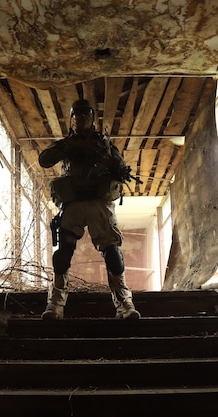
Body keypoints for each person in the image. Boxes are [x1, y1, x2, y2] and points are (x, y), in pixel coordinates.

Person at [39, 99, 141, 320]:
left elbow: (122, 168)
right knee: (63, 255)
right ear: (72, 119)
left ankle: (124, 302)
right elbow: (44, 160)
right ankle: (56, 303)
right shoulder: (67, 143)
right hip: (73, 204)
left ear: (93, 118)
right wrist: (67, 147)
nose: (81, 119)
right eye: (77, 115)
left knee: (112, 253)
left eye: (86, 114)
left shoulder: (103, 144)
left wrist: (107, 164)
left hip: (99, 203)